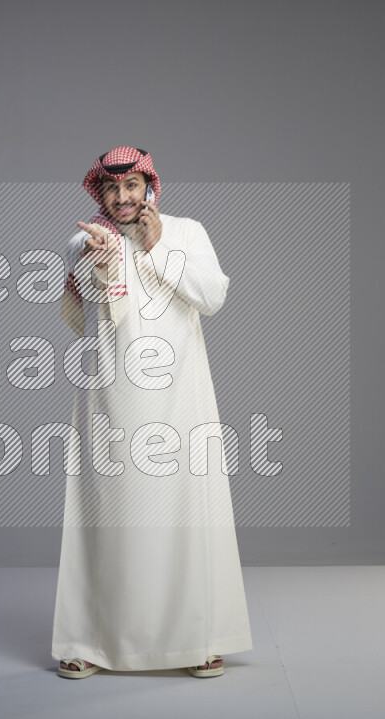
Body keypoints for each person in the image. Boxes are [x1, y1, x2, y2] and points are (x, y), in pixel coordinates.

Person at [52, 146, 253, 679]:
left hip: (181, 397)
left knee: (187, 511)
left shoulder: (187, 231)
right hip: (110, 397)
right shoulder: (84, 237)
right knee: (107, 515)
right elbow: (91, 299)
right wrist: (99, 258)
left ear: (150, 189)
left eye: (132, 187)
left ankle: (199, 637)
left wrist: (158, 246)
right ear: (100, 191)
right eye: (112, 189)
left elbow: (212, 296)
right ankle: (91, 641)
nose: (122, 198)